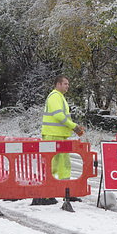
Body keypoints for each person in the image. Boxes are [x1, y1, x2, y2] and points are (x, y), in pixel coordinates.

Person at [33, 75, 84, 205]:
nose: (68, 86)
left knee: (64, 166)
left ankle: (65, 192)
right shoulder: (55, 96)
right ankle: (45, 194)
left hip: (59, 136)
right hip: (53, 136)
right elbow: (58, 115)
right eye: (65, 83)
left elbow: (61, 117)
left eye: (68, 84)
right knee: (52, 165)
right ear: (58, 84)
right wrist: (74, 126)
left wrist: (72, 128)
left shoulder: (59, 97)